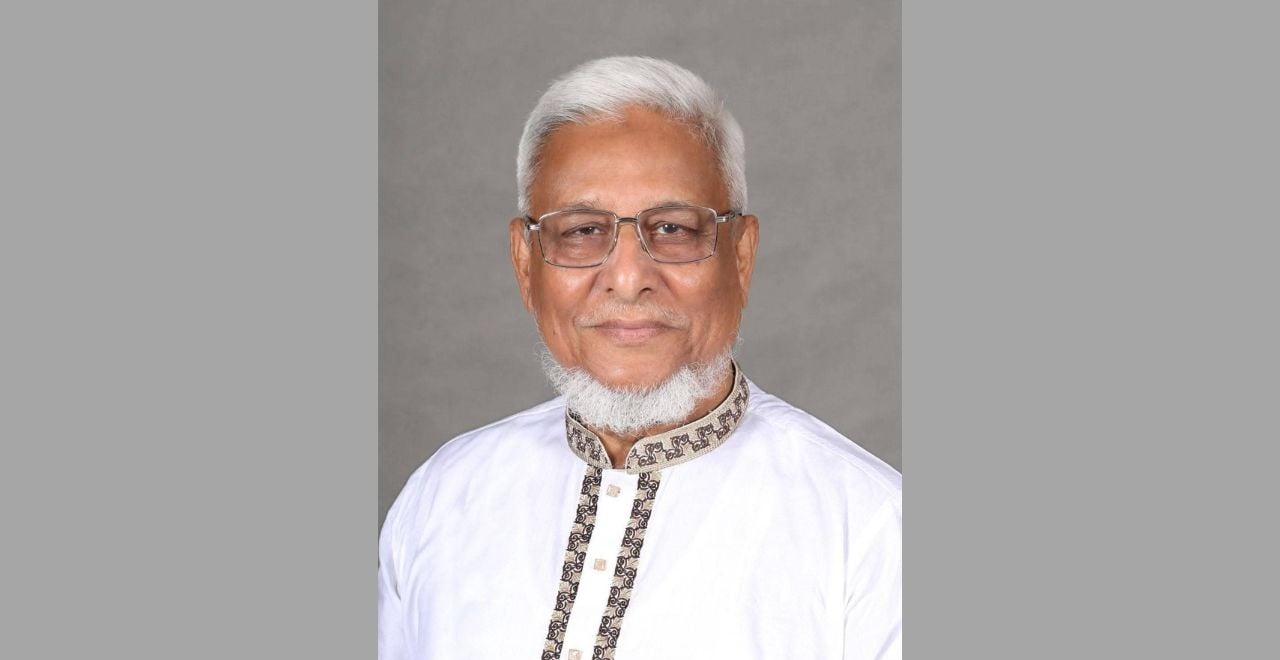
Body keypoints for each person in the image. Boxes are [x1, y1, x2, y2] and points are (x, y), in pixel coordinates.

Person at [379, 56, 902, 660]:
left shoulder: (869, 528)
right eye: (582, 230)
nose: (628, 280)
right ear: (525, 264)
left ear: (740, 256)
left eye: (674, 229)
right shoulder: (441, 499)